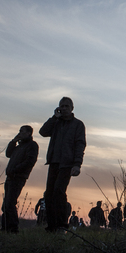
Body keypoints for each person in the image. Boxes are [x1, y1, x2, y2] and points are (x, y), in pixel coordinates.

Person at [40, 97, 86, 232]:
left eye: (66, 106)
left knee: (59, 192)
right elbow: (43, 132)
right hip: (54, 161)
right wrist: (54, 118)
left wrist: (77, 164)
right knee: (49, 194)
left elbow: (80, 144)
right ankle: (52, 226)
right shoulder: (56, 123)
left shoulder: (78, 125)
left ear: (72, 108)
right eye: (62, 106)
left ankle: (61, 225)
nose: (64, 108)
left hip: (67, 164)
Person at [1, 125, 39, 233]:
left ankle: (13, 228)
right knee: (6, 204)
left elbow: (30, 161)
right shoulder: (18, 147)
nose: (20, 133)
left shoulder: (32, 145)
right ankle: (4, 227)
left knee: (10, 203)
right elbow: (8, 154)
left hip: (18, 177)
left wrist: (15, 170)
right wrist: (13, 141)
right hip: (10, 177)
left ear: (28, 133)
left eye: (22, 131)